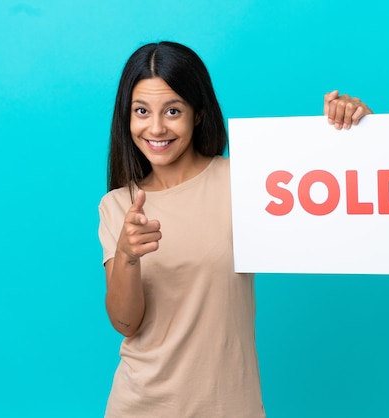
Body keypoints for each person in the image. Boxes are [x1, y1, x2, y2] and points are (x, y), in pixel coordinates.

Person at [97, 41, 372, 418]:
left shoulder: (247, 182)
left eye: (173, 110)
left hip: (230, 406)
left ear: (198, 113)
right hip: (139, 405)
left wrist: (353, 131)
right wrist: (127, 256)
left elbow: (340, 199)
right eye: (141, 111)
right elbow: (126, 323)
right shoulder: (117, 205)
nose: (156, 127)